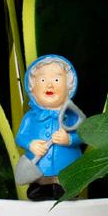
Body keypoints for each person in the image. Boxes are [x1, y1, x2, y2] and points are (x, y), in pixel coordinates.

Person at [15, 55, 83, 201]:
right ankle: (41, 187)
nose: (49, 85)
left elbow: (83, 135)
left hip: (67, 165)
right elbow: (20, 137)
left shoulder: (72, 115)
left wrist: (69, 139)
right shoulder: (30, 117)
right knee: (39, 182)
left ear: (69, 87)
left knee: (66, 178)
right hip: (39, 167)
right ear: (32, 89)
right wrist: (30, 144)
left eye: (57, 80)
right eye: (43, 80)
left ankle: (64, 187)